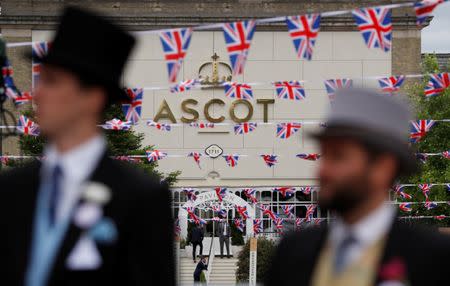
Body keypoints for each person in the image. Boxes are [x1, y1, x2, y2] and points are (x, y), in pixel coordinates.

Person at [0, 6, 174, 286]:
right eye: (40, 80)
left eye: (52, 82)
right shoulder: (11, 190)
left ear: (92, 97)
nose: (37, 93)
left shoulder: (140, 198)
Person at [265, 88, 450, 286]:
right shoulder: (292, 251)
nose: (322, 171)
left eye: (338, 157)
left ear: (383, 168)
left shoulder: (435, 259)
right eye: (324, 156)